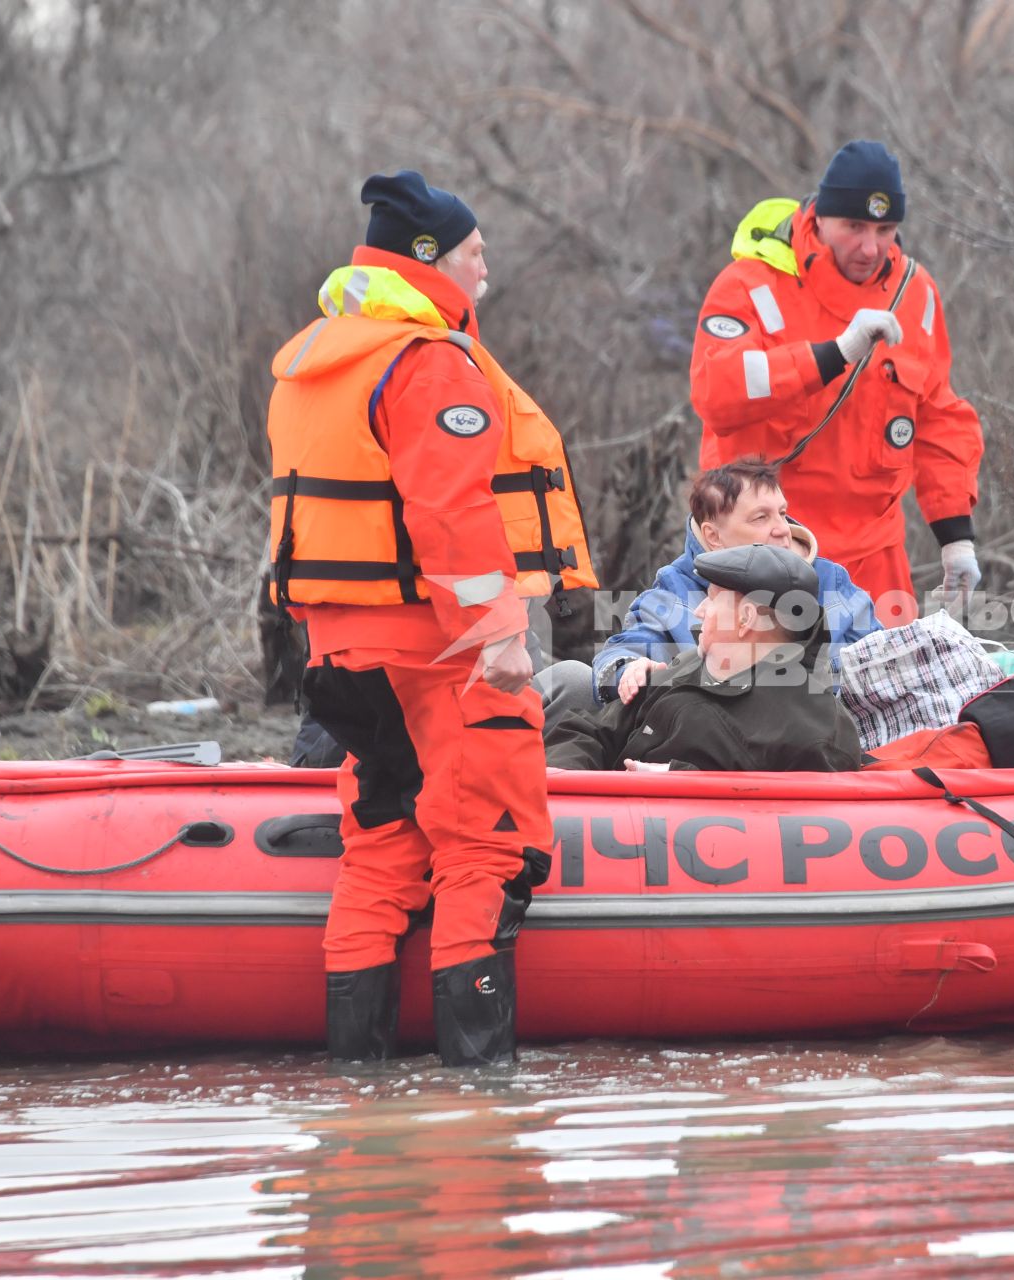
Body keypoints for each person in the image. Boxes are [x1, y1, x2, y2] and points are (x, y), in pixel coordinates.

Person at [265, 170, 593, 1067]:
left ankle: (358, 1091)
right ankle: (479, 1106)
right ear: (429, 258)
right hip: (439, 653)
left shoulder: (320, 358)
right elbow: (450, 513)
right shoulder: (425, 359)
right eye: (476, 250)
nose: (487, 266)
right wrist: (500, 634)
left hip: (342, 656)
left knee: (379, 855)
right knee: (487, 850)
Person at [689, 139, 984, 623]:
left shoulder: (916, 292)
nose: (870, 247)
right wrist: (832, 356)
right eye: (854, 227)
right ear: (820, 217)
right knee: (774, 692)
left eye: (885, 230)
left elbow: (938, 419)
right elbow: (716, 393)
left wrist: (956, 539)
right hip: (766, 549)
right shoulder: (749, 284)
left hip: (877, 560)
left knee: (895, 696)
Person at [562, 456, 879, 709]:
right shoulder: (675, 589)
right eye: (761, 518)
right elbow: (621, 654)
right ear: (713, 537)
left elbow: (883, 666)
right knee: (569, 680)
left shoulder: (831, 581)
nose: (782, 528)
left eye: (782, 513)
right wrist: (630, 670)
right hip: (707, 758)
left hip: (819, 758)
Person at [545, 545, 864, 772]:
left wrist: (681, 780)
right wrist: (567, 776)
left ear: (745, 619)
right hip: (605, 831)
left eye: (711, 601)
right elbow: (590, 730)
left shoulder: (814, 728)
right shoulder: (688, 667)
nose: (699, 611)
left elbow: (799, 822)